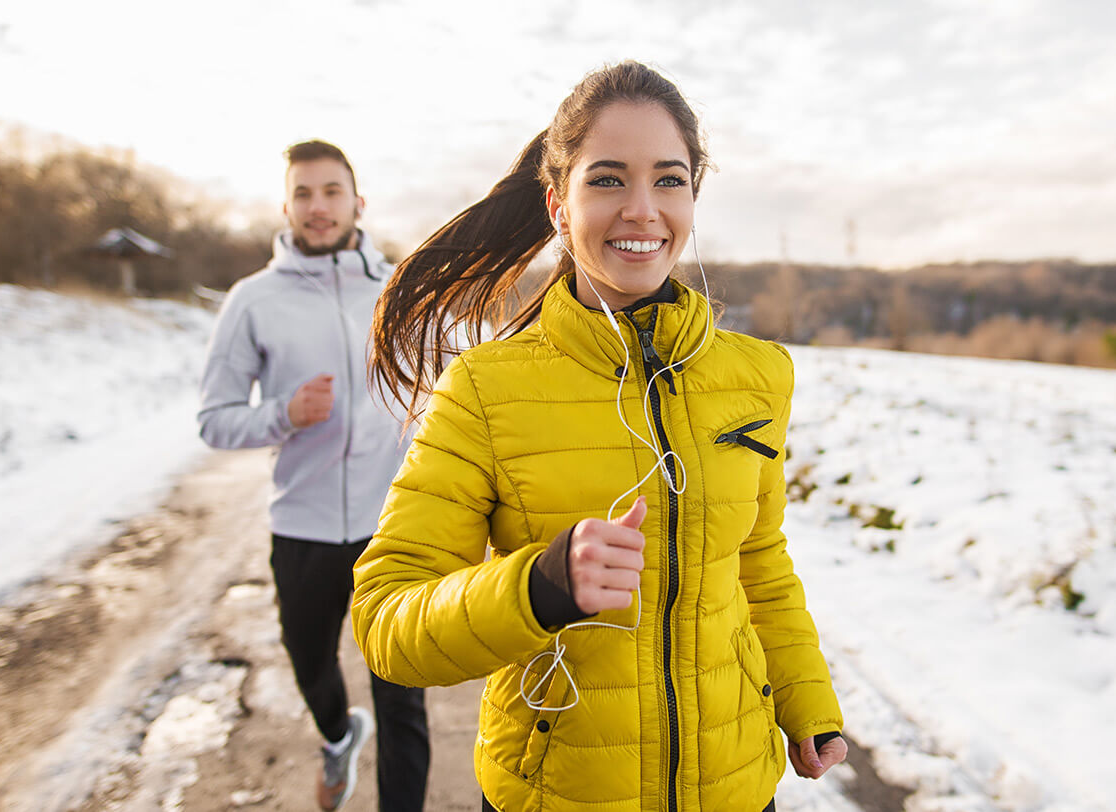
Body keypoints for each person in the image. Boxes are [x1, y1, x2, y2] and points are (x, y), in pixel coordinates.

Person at [351, 62, 846, 812]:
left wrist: (805, 698)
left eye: (669, 180)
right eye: (608, 179)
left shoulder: (757, 376)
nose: (642, 210)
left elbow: (757, 561)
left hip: (737, 789)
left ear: (693, 198)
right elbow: (387, 622)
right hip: (558, 795)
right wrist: (538, 586)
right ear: (558, 204)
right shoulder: (486, 390)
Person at [197, 139, 429, 812]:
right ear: (286, 207)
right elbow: (214, 420)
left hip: (393, 526)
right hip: (301, 525)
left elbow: (438, 389)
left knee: (402, 699)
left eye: (332, 191)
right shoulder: (253, 301)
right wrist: (285, 414)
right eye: (304, 193)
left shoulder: (399, 290)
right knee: (311, 668)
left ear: (358, 202)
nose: (318, 206)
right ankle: (336, 736)